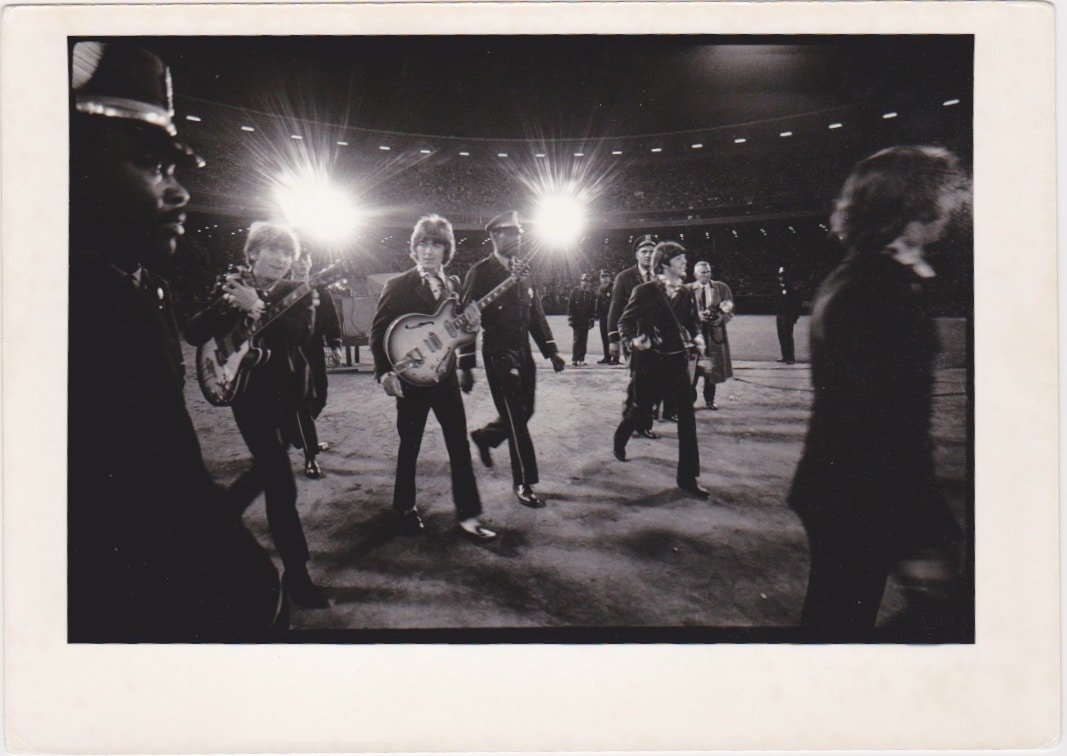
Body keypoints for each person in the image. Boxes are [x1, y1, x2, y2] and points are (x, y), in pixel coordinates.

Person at [68, 41, 283, 641]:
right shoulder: (91, 307)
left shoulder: (130, 290)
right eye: (150, 163)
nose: (180, 191)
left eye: (175, 168)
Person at [789, 145, 969, 638]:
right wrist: (923, 532)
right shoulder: (873, 287)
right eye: (947, 195)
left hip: (850, 488)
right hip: (859, 491)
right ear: (914, 204)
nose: (955, 207)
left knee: (839, 623)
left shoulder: (869, 275)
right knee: (843, 629)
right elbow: (884, 423)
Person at [185, 221, 328, 609]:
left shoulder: (298, 292)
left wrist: (259, 308)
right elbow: (195, 334)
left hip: (288, 394)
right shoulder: (229, 286)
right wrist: (230, 303)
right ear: (252, 254)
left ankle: (215, 522)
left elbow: (300, 336)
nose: (282, 259)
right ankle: (296, 575)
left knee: (264, 470)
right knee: (282, 483)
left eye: (288, 253)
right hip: (247, 396)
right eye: (274, 250)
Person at [369, 215, 497, 542]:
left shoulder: (454, 286)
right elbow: (378, 332)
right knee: (409, 445)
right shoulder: (397, 285)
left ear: (446, 250)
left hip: (445, 379)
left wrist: (472, 332)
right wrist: (384, 372)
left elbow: (461, 334)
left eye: (436, 244)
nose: (428, 251)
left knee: (458, 446)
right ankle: (404, 508)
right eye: (423, 243)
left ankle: (469, 515)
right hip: (411, 380)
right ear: (414, 248)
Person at [459, 211, 567, 508]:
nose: (518, 236)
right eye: (511, 232)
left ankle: (485, 437)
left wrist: (551, 350)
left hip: (523, 351)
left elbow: (535, 314)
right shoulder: (480, 272)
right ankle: (524, 482)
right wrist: (465, 365)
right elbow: (466, 319)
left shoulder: (525, 271)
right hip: (498, 352)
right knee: (517, 419)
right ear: (494, 237)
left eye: (519, 231)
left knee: (526, 410)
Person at [612, 241, 709, 498]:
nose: (685, 264)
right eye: (680, 260)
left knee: (687, 418)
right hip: (651, 362)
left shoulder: (687, 292)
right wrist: (633, 341)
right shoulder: (645, 290)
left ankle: (687, 478)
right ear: (665, 263)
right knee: (640, 409)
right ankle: (621, 436)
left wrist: (698, 339)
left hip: (678, 362)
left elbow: (693, 323)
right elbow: (625, 322)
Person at [291, 252, 343, 479]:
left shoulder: (320, 288)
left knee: (320, 396)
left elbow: (332, 319)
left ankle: (297, 431)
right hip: (289, 353)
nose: (302, 263)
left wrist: (335, 345)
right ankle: (310, 455)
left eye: (306, 258)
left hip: (313, 352)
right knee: (301, 402)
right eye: (298, 258)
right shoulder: (281, 288)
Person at [607, 234, 660, 439]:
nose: (648, 255)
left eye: (652, 251)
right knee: (639, 381)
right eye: (644, 251)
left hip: (658, 339)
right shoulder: (625, 277)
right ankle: (635, 422)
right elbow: (615, 309)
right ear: (637, 255)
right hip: (635, 338)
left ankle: (638, 420)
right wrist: (614, 339)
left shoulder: (661, 275)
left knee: (651, 382)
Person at [692, 261, 734, 410]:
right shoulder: (688, 289)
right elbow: (680, 312)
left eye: (708, 271)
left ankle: (710, 400)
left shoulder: (721, 288)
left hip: (714, 336)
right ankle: (689, 401)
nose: (707, 275)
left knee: (712, 369)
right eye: (703, 272)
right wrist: (697, 316)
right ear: (696, 274)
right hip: (695, 335)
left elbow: (730, 311)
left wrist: (719, 319)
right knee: (693, 370)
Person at [566, 273, 597, 366]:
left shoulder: (591, 293)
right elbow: (570, 305)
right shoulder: (575, 291)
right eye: (584, 281)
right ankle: (574, 359)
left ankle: (581, 358)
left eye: (587, 281)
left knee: (584, 339)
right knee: (577, 339)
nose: (586, 283)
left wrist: (592, 318)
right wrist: (570, 318)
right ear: (581, 281)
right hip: (576, 319)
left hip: (586, 320)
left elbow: (592, 307)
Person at [776, 265, 802, 364]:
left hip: (788, 315)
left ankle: (791, 357)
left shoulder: (791, 288)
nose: (780, 277)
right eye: (779, 275)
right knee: (781, 336)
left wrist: (795, 317)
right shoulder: (779, 287)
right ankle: (784, 356)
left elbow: (797, 303)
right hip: (780, 314)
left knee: (788, 336)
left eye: (782, 275)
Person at [595, 269, 615, 363]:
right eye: (602, 277)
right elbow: (598, 302)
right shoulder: (600, 288)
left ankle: (615, 358)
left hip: (612, 316)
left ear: (610, 278)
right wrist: (597, 314)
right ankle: (606, 357)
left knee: (613, 337)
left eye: (606, 277)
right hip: (603, 317)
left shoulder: (614, 287)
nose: (604, 279)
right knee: (604, 337)